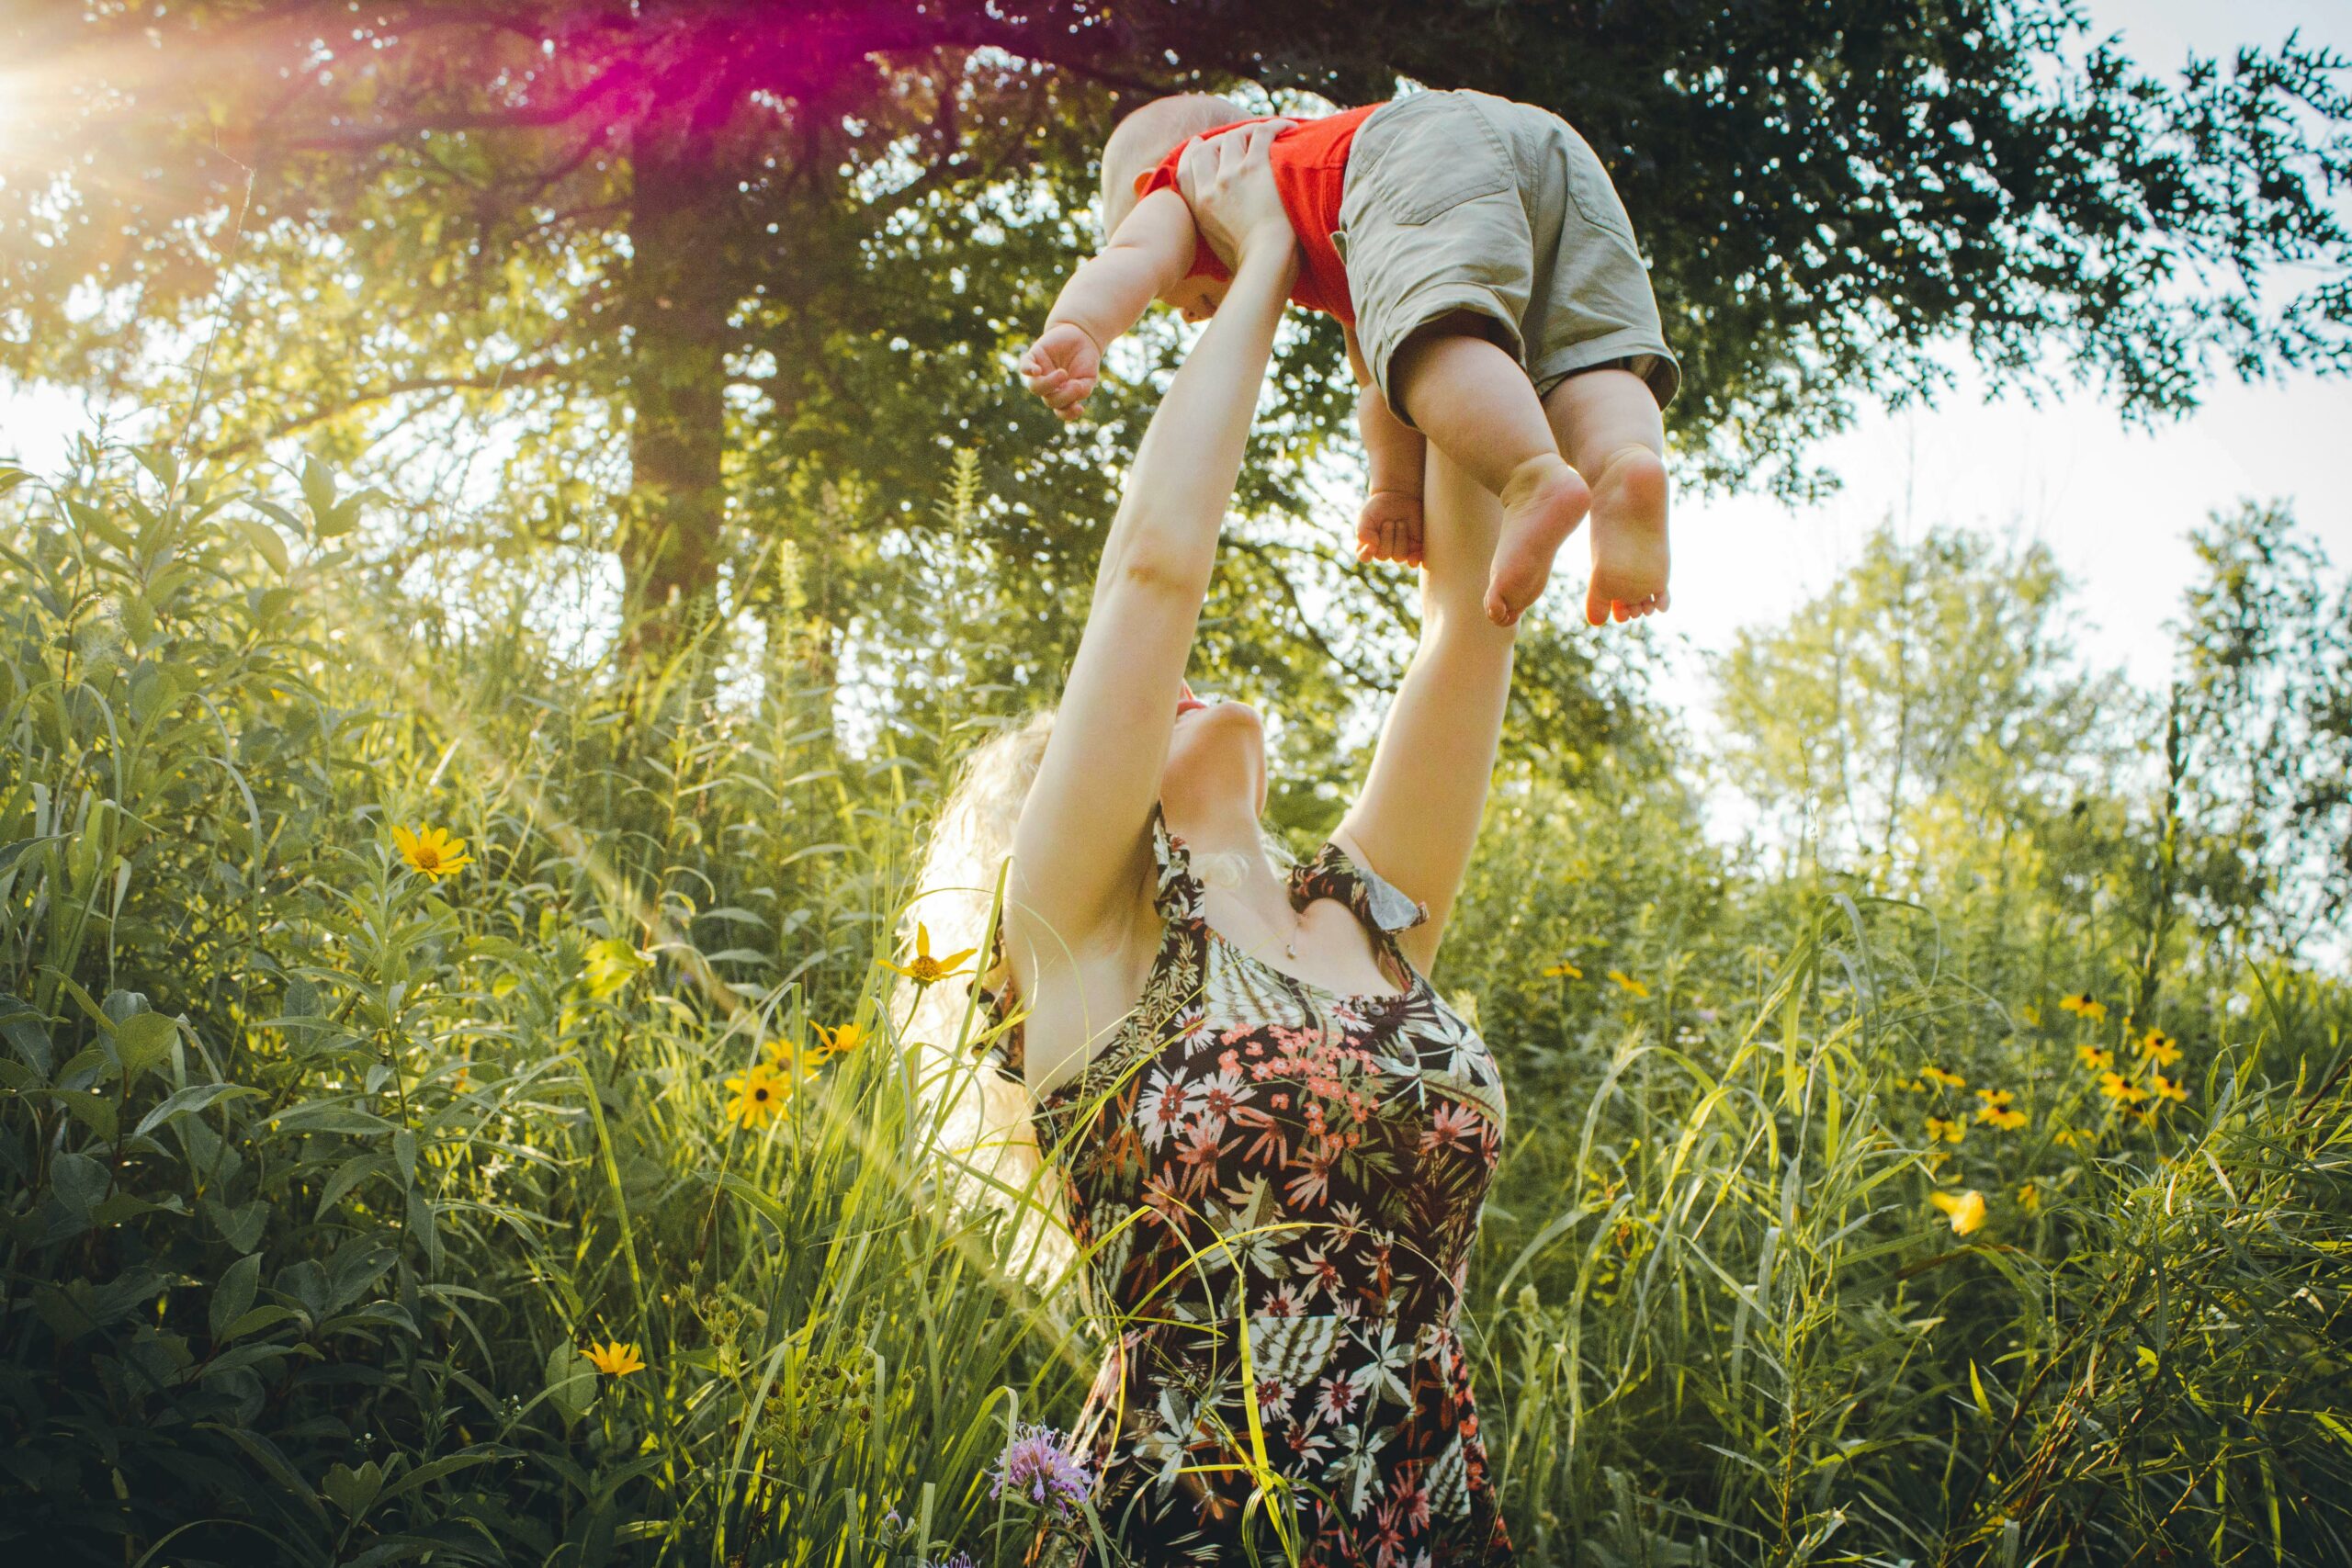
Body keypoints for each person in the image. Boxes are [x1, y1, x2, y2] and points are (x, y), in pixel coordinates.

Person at [914, 126, 1517, 1564]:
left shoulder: (1365, 921)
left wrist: (1412, 270)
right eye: (1133, 710)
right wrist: (1255, 263)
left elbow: (1472, 621)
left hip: (1429, 1524)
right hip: (1187, 1525)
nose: (1174, 681)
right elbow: (1154, 565)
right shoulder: (1086, 935)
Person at [1019, 87, 1680, 632]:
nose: (1189, 311)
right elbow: (1379, 380)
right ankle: (1623, 467)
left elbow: (1131, 258)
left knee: (1431, 348)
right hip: (1546, 144)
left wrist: (1080, 325)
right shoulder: (1333, 209)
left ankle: (1533, 476)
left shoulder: (1192, 180)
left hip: (1417, 148)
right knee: (1581, 351)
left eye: (1176, 299)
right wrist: (1393, 490)